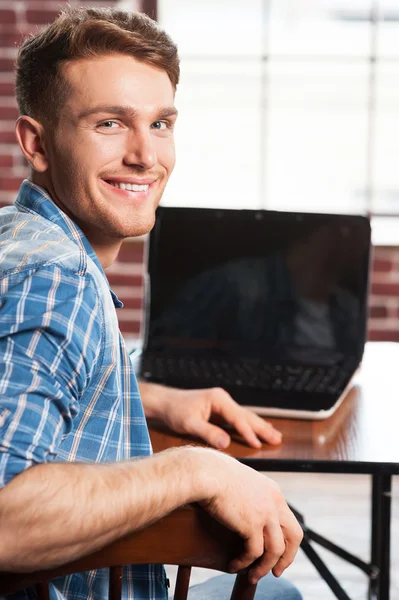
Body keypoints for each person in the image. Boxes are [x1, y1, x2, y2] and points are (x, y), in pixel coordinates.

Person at [0, 6, 303, 600]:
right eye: (110, 124)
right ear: (36, 142)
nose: (146, 155)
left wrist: (148, 398)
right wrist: (197, 468)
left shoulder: (17, 238)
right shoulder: (56, 278)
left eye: (161, 123)